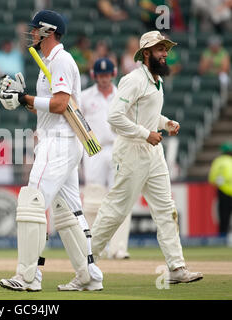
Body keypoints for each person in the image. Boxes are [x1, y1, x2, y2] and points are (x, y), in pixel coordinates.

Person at [0, 10, 103, 292]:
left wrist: (25, 97)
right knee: (69, 211)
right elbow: (51, 106)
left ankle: (29, 276)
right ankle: (89, 275)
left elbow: (59, 103)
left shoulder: (61, 60)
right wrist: (24, 102)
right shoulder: (50, 61)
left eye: (35, 29)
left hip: (60, 141)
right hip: (55, 139)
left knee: (33, 201)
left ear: (48, 31)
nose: (31, 33)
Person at [90, 30, 203, 284]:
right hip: (131, 151)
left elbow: (146, 114)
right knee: (116, 211)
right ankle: (85, 264)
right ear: (146, 53)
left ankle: (176, 268)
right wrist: (145, 133)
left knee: (166, 210)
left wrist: (165, 122)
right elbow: (115, 116)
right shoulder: (134, 79)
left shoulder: (156, 79)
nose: (165, 54)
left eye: (166, 49)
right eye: (160, 49)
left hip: (153, 153)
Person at [80, 58, 131, 260]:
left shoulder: (123, 96)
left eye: (106, 75)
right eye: (100, 75)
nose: (103, 79)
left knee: (120, 197)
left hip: (118, 146)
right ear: (94, 75)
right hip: (94, 149)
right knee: (93, 199)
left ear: (114, 73)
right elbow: (79, 125)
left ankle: (119, 248)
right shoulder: (85, 97)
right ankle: (94, 248)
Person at [208, 142, 232, 237]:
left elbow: (212, 178)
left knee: (224, 216)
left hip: (223, 192)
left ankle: (223, 237)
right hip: (227, 191)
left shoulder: (218, 161)